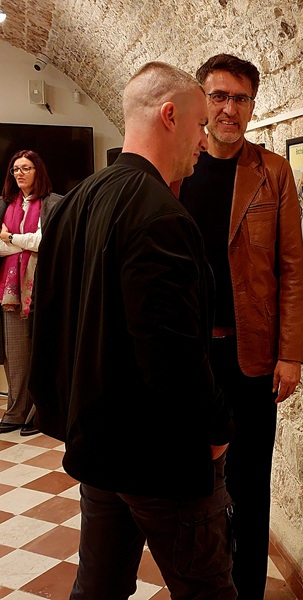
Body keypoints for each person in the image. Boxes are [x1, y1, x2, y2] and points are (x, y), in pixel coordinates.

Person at [27, 61, 237, 600]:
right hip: (158, 455)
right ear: (169, 115)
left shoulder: (76, 201)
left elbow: (52, 321)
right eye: (199, 125)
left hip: (100, 444)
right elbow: (171, 353)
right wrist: (217, 431)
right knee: (208, 591)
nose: (203, 139)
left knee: (98, 588)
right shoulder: (159, 214)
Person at [178, 53, 303, 599]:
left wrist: (291, 354)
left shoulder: (272, 172)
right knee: (191, 484)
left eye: (240, 98)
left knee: (251, 486)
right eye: (219, 96)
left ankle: (246, 591)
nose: (229, 109)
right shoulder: (177, 170)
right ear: (201, 101)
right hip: (188, 357)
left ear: (253, 106)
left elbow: (292, 269)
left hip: (251, 357)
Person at [0, 150, 61, 436]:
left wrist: (11, 237)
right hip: (10, 293)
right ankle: (16, 411)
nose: (19, 173)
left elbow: (45, 241)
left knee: (42, 352)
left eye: (26, 168)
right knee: (15, 355)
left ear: (38, 171)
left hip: (42, 288)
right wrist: (24, 243)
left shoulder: (54, 203)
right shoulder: (4, 205)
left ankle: (39, 415)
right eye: (15, 169)